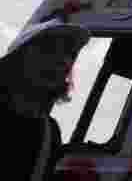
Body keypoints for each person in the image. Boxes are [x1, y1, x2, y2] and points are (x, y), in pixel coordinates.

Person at [0, 18, 90, 180]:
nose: (62, 60)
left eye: (69, 53)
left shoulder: (49, 130)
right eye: (49, 49)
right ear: (17, 59)